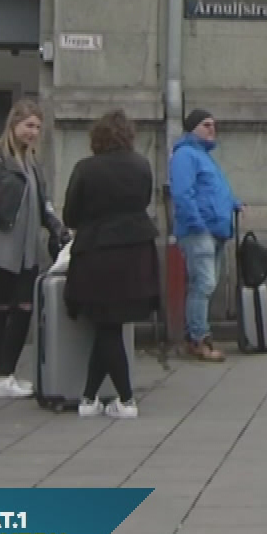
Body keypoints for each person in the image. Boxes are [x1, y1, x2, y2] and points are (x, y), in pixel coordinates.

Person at [60, 110, 160, 418]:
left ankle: (126, 400)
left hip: (98, 253)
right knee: (111, 326)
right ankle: (89, 399)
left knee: (106, 326)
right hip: (137, 253)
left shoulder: (85, 169)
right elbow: (143, 201)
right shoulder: (142, 165)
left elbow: (71, 215)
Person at [0, 100, 67, 399]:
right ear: (14, 125)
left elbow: (43, 202)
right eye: (28, 126)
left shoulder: (33, 162)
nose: (33, 133)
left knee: (24, 309)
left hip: (27, 247)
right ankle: (3, 375)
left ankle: (8, 372)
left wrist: (57, 227)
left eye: (37, 127)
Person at [170, 108, 240, 362]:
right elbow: (182, 194)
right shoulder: (186, 155)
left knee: (205, 284)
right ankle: (199, 338)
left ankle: (196, 334)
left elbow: (215, 189)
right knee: (204, 284)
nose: (212, 129)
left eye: (213, 124)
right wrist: (198, 223)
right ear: (192, 129)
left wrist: (233, 202)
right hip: (200, 231)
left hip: (214, 230)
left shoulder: (203, 156)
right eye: (206, 124)